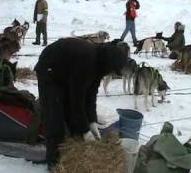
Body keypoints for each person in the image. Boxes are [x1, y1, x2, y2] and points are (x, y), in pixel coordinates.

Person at [34, 38, 129, 170]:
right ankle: (54, 163)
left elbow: (90, 96)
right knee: (54, 116)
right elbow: (77, 99)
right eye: (113, 71)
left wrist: (92, 122)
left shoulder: (99, 64)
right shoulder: (88, 61)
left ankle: (73, 150)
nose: (112, 74)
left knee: (72, 114)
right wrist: (85, 130)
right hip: (49, 70)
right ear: (110, 64)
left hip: (67, 72)